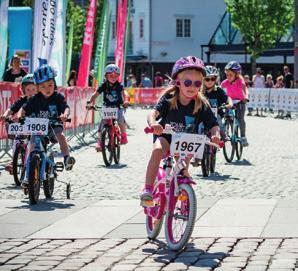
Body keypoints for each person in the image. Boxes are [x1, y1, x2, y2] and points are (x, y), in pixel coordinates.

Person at [140, 56, 220, 206]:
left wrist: (216, 134)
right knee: (157, 151)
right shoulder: (169, 98)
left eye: (197, 83)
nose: (192, 87)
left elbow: (213, 124)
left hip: (186, 141)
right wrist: (153, 123)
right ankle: (148, 189)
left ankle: (184, 194)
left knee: (183, 165)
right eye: (188, 82)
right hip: (166, 136)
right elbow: (153, 113)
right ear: (178, 82)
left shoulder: (201, 104)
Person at [18, 65, 75, 187]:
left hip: (53, 124)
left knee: (61, 136)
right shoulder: (34, 99)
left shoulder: (58, 97)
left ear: (54, 84)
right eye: (43, 86)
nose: (47, 88)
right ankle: (28, 177)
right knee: (32, 146)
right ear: (37, 87)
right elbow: (24, 109)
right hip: (38, 127)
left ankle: (67, 158)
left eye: (50, 85)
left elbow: (66, 108)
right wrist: (20, 116)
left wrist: (64, 115)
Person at [0, 74, 37, 174]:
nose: (31, 92)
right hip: (24, 126)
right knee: (17, 139)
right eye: (28, 90)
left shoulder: (40, 101)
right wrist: (5, 115)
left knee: (38, 143)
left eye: (34, 90)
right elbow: (12, 109)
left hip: (37, 128)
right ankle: (14, 162)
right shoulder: (22, 100)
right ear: (23, 90)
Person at [87, 64, 129, 152]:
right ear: (106, 76)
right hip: (107, 107)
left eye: (115, 76)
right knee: (102, 124)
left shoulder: (119, 85)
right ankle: (99, 142)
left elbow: (125, 93)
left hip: (118, 106)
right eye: (110, 75)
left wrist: (126, 101)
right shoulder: (103, 85)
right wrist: (89, 102)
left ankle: (124, 135)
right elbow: (95, 94)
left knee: (121, 120)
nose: (113, 77)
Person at [221, 61, 249, 147]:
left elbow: (245, 89)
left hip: (240, 102)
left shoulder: (240, 81)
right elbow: (219, 88)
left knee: (240, 119)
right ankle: (228, 132)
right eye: (227, 74)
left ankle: (243, 136)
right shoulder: (226, 82)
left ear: (236, 75)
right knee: (227, 117)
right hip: (230, 102)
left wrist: (246, 97)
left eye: (230, 75)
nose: (228, 77)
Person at [203, 66, 233, 139]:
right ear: (202, 80)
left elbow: (227, 98)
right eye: (207, 79)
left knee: (218, 121)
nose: (210, 81)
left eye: (212, 79)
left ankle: (223, 135)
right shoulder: (200, 91)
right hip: (202, 115)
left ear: (215, 80)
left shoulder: (218, 90)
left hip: (216, 115)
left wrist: (230, 104)